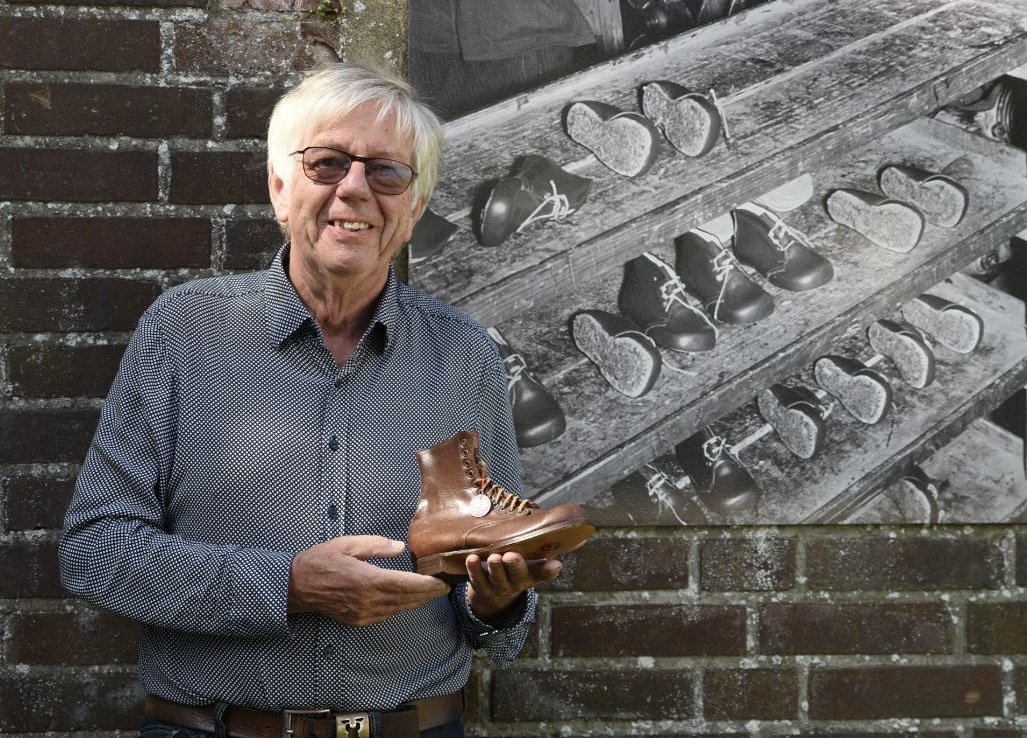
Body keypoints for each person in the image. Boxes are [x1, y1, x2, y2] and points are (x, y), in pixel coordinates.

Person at [58, 61, 563, 738]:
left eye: (387, 172)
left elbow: (493, 611)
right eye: (327, 163)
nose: (354, 188)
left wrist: (496, 599)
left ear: (412, 211)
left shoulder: (464, 355)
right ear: (279, 187)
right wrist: (288, 586)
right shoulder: (183, 333)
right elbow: (94, 553)